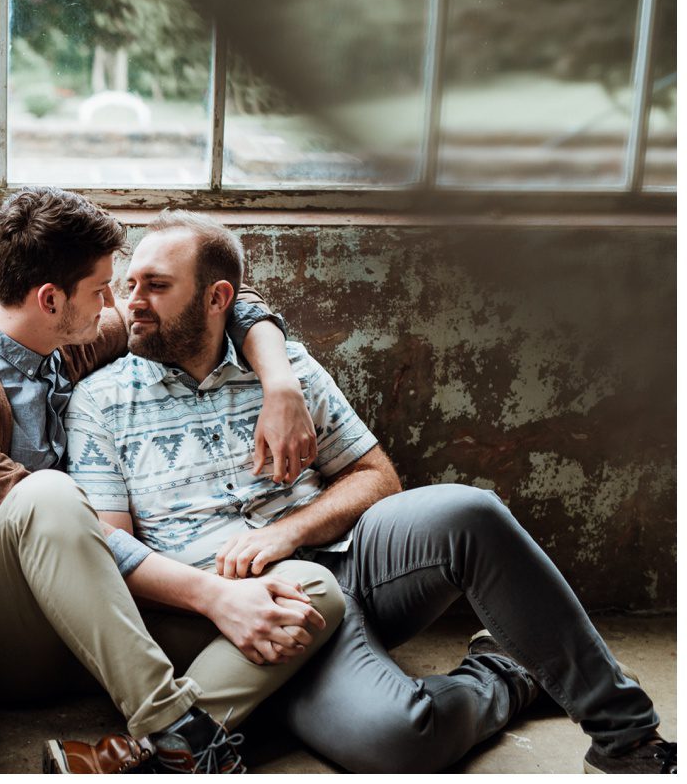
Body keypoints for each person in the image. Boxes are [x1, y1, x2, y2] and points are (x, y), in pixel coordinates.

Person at [63, 208, 675, 775]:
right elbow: (113, 549)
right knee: (402, 738)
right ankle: (508, 669)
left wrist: (291, 530)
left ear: (218, 298)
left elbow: (376, 478)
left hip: (351, 560)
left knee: (471, 510)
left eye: (155, 286)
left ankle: (627, 737)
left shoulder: (288, 371)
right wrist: (219, 596)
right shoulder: (101, 400)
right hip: (264, 613)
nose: (130, 303)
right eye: (128, 284)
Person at [0, 188, 345, 774]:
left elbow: (235, 302)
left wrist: (281, 383)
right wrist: (211, 594)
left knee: (307, 591)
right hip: (3, 636)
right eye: (102, 290)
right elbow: (57, 523)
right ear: (50, 299)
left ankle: (146, 757)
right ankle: (167, 721)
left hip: (107, 617)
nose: (118, 304)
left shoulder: (73, 333)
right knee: (49, 494)